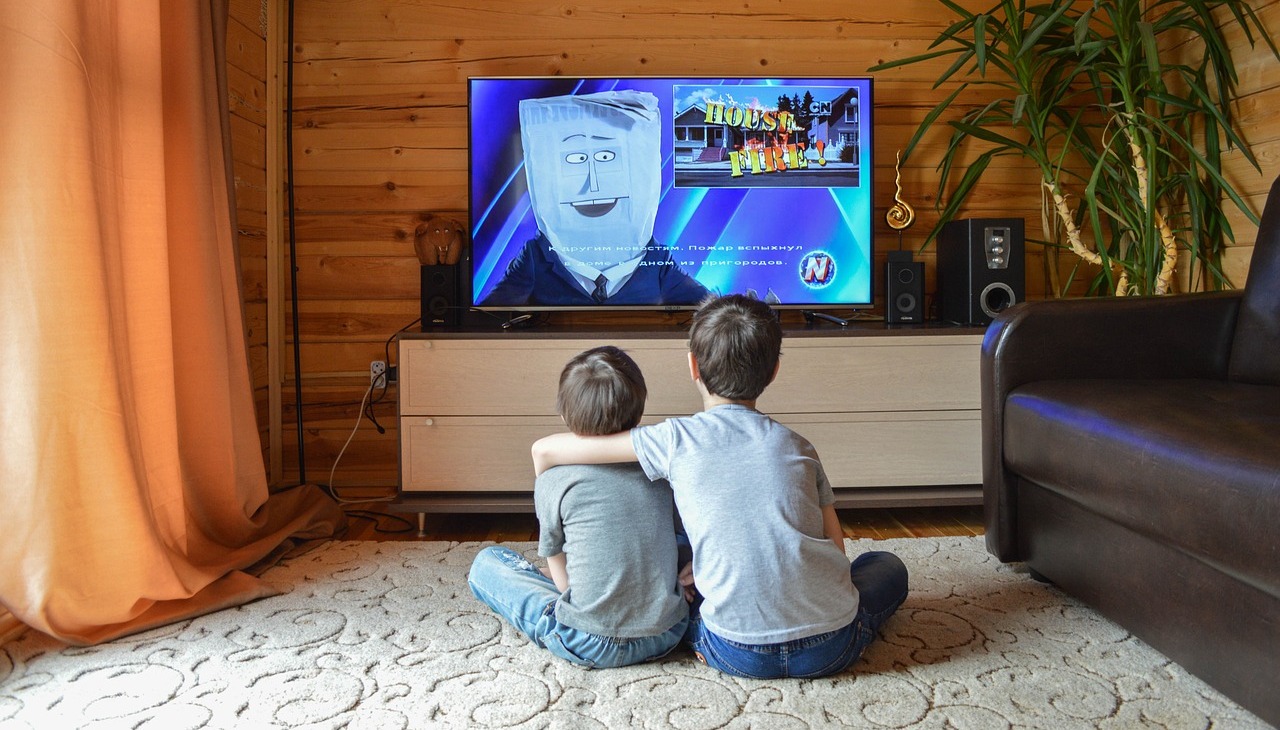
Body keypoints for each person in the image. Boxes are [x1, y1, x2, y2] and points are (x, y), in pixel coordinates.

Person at [531, 294, 908, 678]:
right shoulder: (800, 446)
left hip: (735, 650)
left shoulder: (675, 439)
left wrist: (542, 457)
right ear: (774, 370)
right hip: (830, 646)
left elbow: (574, 447)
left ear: (692, 365)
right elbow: (836, 549)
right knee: (885, 565)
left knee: (676, 563)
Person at [467, 346, 688, 668]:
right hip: (668, 633)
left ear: (563, 415)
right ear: (639, 413)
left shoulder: (553, 480)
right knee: (674, 541)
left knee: (487, 563)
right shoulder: (660, 472)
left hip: (588, 641)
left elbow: (560, 577)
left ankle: (590, 590)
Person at [481, 89, 707, 307]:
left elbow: (718, 313)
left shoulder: (656, 260)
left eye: (607, 157)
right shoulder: (535, 257)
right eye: (576, 159)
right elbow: (487, 317)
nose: (594, 184)